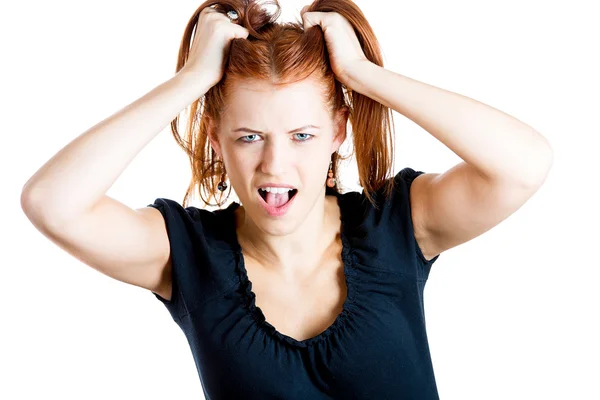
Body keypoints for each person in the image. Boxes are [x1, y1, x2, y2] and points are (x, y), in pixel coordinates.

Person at [20, 0, 553, 398]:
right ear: (216, 139)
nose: (275, 165)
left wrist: (363, 74)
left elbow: (523, 165)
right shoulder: (186, 256)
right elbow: (52, 203)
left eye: (302, 135)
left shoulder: (399, 226)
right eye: (249, 136)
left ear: (338, 132)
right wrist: (194, 78)